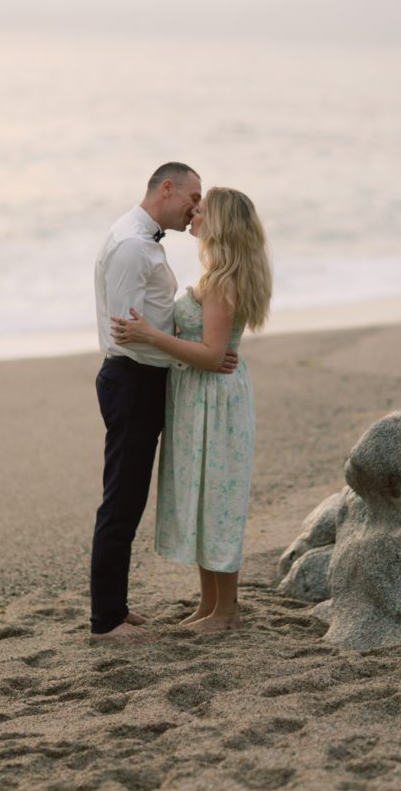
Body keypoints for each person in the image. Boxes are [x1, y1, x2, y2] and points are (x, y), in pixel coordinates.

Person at [111, 186, 272, 631]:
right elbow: (212, 351)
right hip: (201, 396)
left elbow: (211, 353)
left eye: (203, 208)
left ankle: (228, 612)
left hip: (214, 400)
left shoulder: (222, 281)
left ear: (219, 223)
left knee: (218, 500)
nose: (194, 212)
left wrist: (149, 335)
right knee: (205, 497)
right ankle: (209, 604)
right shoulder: (217, 273)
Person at [90, 163, 236, 641]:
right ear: (166, 188)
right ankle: (107, 619)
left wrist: (195, 343)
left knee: (128, 498)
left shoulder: (137, 236)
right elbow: (129, 335)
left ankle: (115, 606)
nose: (196, 207)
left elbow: (145, 326)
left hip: (144, 379)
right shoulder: (134, 245)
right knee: (122, 501)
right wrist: (199, 353)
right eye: (192, 196)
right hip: (133, 380)